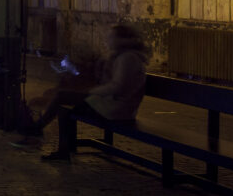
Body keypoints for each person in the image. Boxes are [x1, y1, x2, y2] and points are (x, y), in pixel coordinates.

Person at [16, 23, 149, 160]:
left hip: (116, 109)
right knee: (63, 104)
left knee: (63, 97)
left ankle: (40, 131)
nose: (107, 40)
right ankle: (54, 142)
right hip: (113, 105)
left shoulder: (127, 58)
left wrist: (92, 92)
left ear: (121, 40)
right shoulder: (123, 56)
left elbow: (117, 86)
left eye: (111, 37)